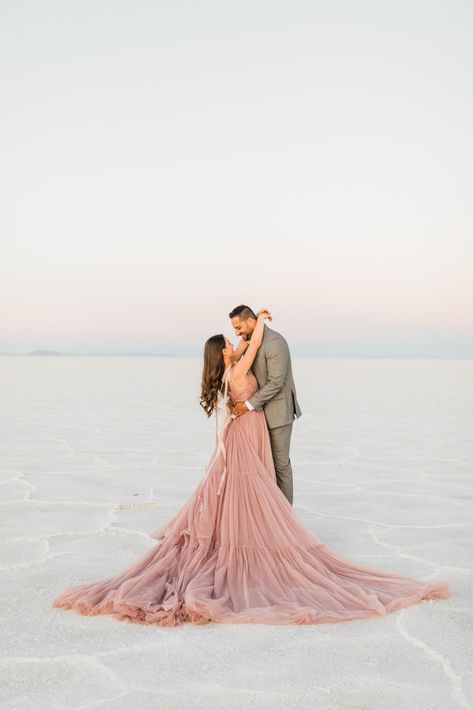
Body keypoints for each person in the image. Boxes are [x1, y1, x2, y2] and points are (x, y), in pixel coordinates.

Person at [51, 308, 451, 626]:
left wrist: (253, 332)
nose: (234, 339)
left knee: (257, 479)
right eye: (228, 339)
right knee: (255, 482)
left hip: (249, 424)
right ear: (223, 352)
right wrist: (258, 322)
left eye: (234, 332)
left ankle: (270, 526)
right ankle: (273, 530)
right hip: (250, 424)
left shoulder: (234, 362)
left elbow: (266, 364)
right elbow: (256, 351)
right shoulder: (238, 365)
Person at [227, 304, 301, 505]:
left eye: (238, 327)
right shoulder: (251, 340)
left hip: (278, 413)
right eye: (234, 329)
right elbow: (234, 358)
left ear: (250, 322)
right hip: (258, 416)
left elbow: (276, 382)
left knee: (280, 465)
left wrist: (248, 405)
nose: (236, 333)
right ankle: (268, 514)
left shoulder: (275, 342)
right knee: (262, 466)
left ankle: (285, 518)